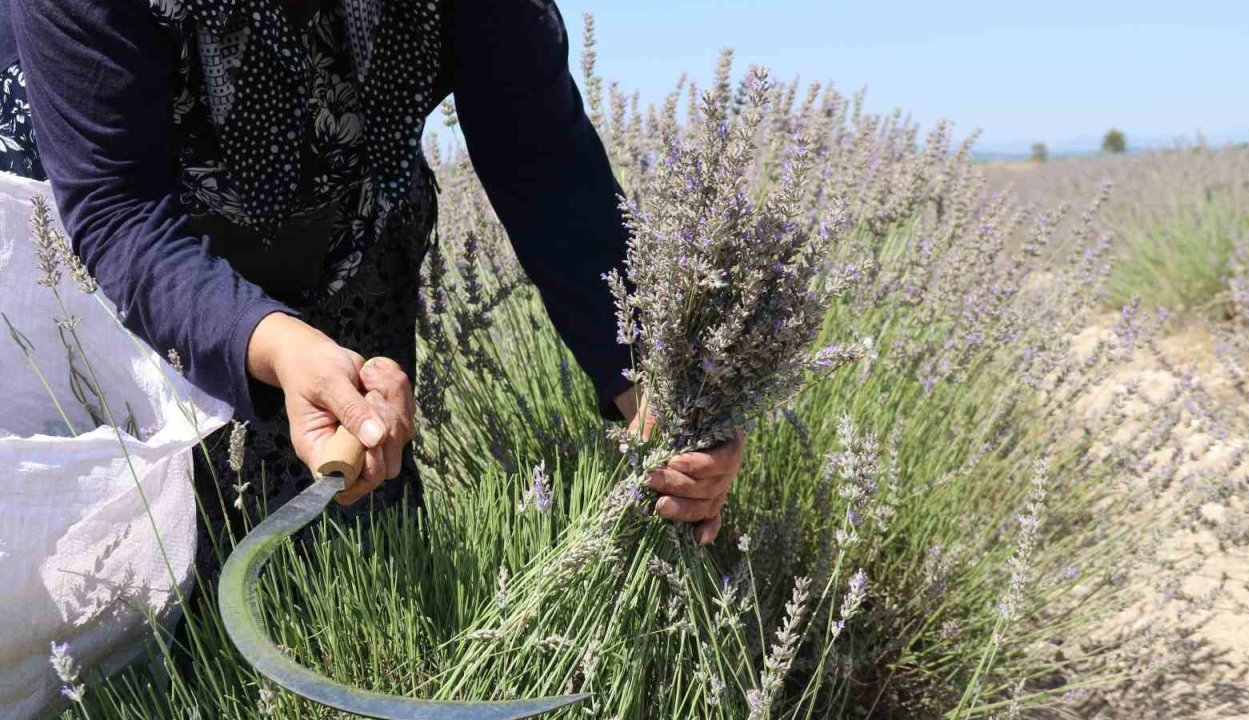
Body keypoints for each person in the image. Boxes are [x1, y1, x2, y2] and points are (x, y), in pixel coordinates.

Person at [2, 0, 742, 547]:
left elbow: (545, 163)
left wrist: (652, 384)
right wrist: (274, 343)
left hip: (342, 203)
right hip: (83, 235)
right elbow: (116, 206)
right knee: (116, 551)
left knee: (349, 532)